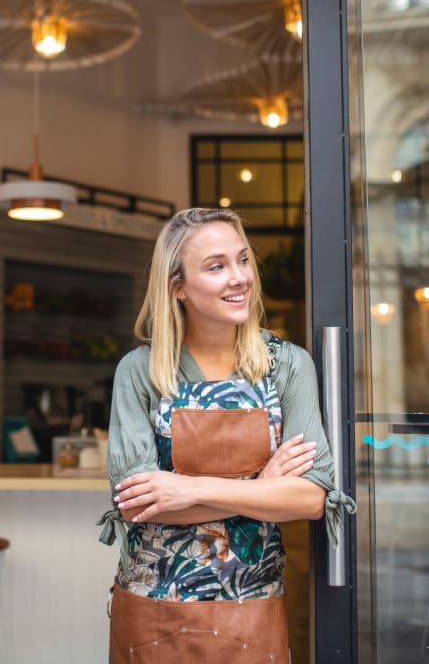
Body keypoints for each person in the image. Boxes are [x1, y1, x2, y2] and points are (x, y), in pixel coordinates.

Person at [98, 207, 356, 663]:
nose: (239, 277)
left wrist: (188, 489)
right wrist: (261, 490)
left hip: (252, 603)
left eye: (243, 260)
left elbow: (312, 498)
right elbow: (139, 505)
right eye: (216, 266)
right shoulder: (140, 372)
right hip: (154, 608)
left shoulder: (286, 365)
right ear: (176, 286)